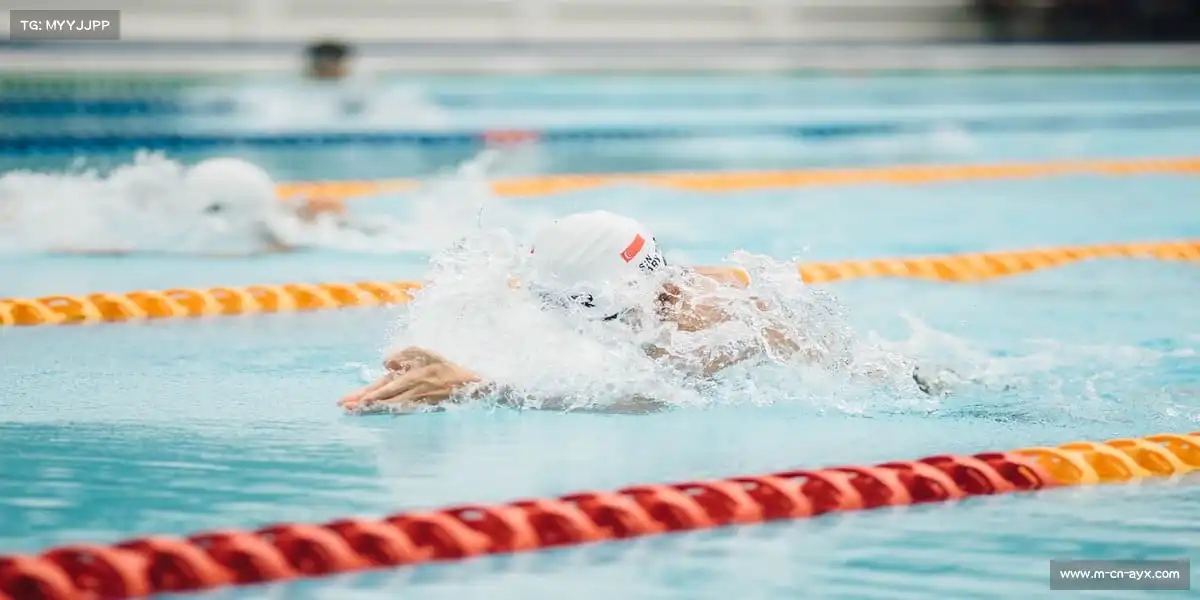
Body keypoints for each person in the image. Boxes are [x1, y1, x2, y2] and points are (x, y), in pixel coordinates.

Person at [339, 211, 951, 414]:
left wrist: (479, 387)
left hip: (906, 384)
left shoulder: (715, 316)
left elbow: (640, 397)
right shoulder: (615, 288)